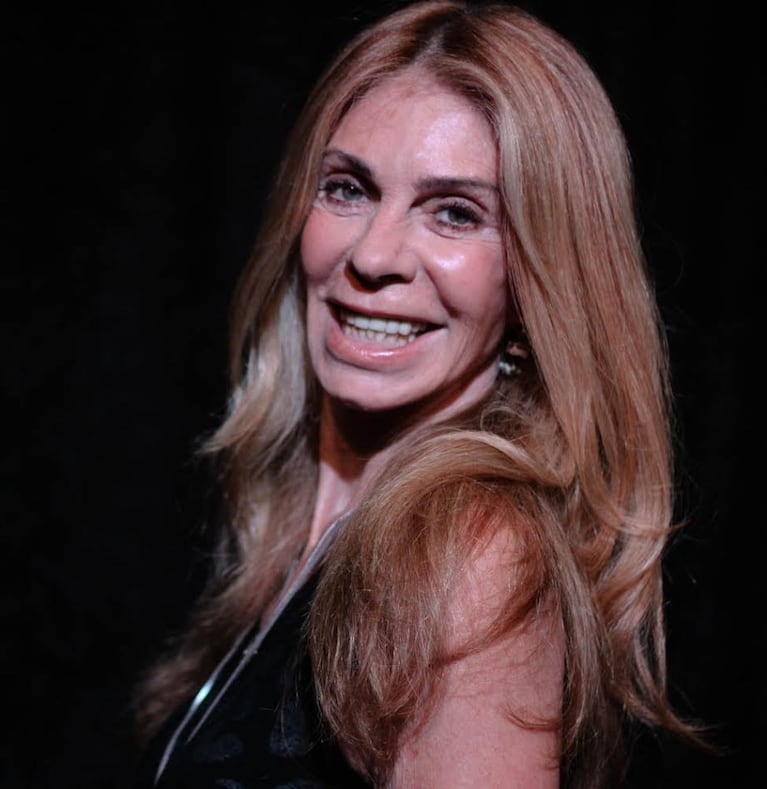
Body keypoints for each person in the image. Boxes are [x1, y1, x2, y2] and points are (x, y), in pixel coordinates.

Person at [131, 1, 702, 786]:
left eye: (455, 213)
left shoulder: (472, 556)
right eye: (347, 189)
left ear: (538, 283)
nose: (374, 254)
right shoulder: (299, 532)